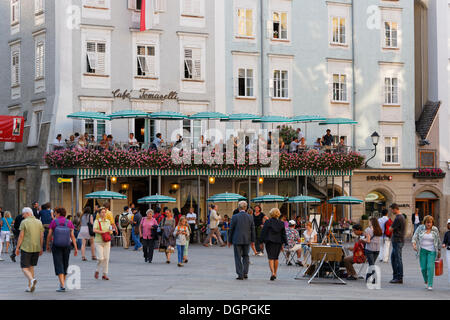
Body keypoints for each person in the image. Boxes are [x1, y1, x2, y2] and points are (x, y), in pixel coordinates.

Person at [46, 208, 78, 292]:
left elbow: (49, 234)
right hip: (67, 245)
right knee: (65, 264)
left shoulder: (54, 222)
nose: (54, 214)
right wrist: (75, 247)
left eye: (55, 213)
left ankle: (62, 285)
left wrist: (47, 245)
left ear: (59, 213)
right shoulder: (69, 222)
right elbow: (72, 236)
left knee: (58, 264)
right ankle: (62, 283)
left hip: (56, 245)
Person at [15, 207, 44, 292]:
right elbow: (41, 236)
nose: (23, 216)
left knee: (24, 267)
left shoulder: (24, 222)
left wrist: (17, 248)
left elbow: (21, 236)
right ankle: (30, 286)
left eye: (23, 214)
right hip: (36, 247)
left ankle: (32, 280)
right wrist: (41, 247)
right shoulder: (39, 222)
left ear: (28, 213)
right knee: (31, 266)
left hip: (26, 247)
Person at [412, 215, 441, 290]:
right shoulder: (420, 228)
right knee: (423, 268)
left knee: (430, 267)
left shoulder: (435, 229)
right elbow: (415, 237)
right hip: (422, 251)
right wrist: (414, 244)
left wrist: (439, 250)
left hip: (432, 251)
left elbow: (438, 240)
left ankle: (430, 284)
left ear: (432, 223)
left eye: (430, 223)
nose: (429, 224)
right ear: (424, 223)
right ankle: (426, 281)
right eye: (427, 223)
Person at [228, 201, 256, 280]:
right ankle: (245, 272)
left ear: (238, 208)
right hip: (247, 239)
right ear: (246, 208)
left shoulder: (234, 217)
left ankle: (240, 274)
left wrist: (229, 240)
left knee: (237, 257)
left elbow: (231, 229)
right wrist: (253, 241)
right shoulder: (250, 217)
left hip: (237, 239)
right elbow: (252, 229)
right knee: (246, 256)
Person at [260, 208, 288, 281]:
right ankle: (275, 273)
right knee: (276, 258)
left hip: (269, 242)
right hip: (278, 242)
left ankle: (272, 273)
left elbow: (263, 232)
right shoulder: (281, 223)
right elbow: (283, 234)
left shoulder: (268, 222)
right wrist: (285, 243)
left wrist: (261, 242)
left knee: (270, 258)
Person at [93, 208, 113, 280]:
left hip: (107, 241)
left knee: (106, 258)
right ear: (99, 213)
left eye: (105, 212)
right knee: (100, 258)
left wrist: (111, 231)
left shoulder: (108, 221)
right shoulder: (97, 221)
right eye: (102, 212)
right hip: (98, 241)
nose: (104, 214)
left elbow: (111, 230)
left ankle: (104, 274)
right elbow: (94, 230)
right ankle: (97, 270)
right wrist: (102, 232)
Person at [389, 203, 406, 284]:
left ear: (395, 209)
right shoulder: (401, 217)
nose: (391, 211)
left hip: (397, 240)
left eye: (392, 210)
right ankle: (396, 276)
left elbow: (390, 229)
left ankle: (399, 277)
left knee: (398, 259)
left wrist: (390, 227)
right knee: (394, 258)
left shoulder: (398, 218)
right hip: (398, 240)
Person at [362, 218, 383, 282]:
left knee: (371, 264)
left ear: (371, 222)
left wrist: (362, 239)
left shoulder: (367, 230)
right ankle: (368, 277)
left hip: (370, 249)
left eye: (369, 222)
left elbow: (368, 241)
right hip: (377, 249)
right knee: (372, 264)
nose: (368, 223)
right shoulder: (379, 230)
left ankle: (373, 278)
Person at [442, 219, 450, 284]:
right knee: (449, 266)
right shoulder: (447, 233)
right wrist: (444, 244)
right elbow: (444, 242)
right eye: (449, 224)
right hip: (448, 251)